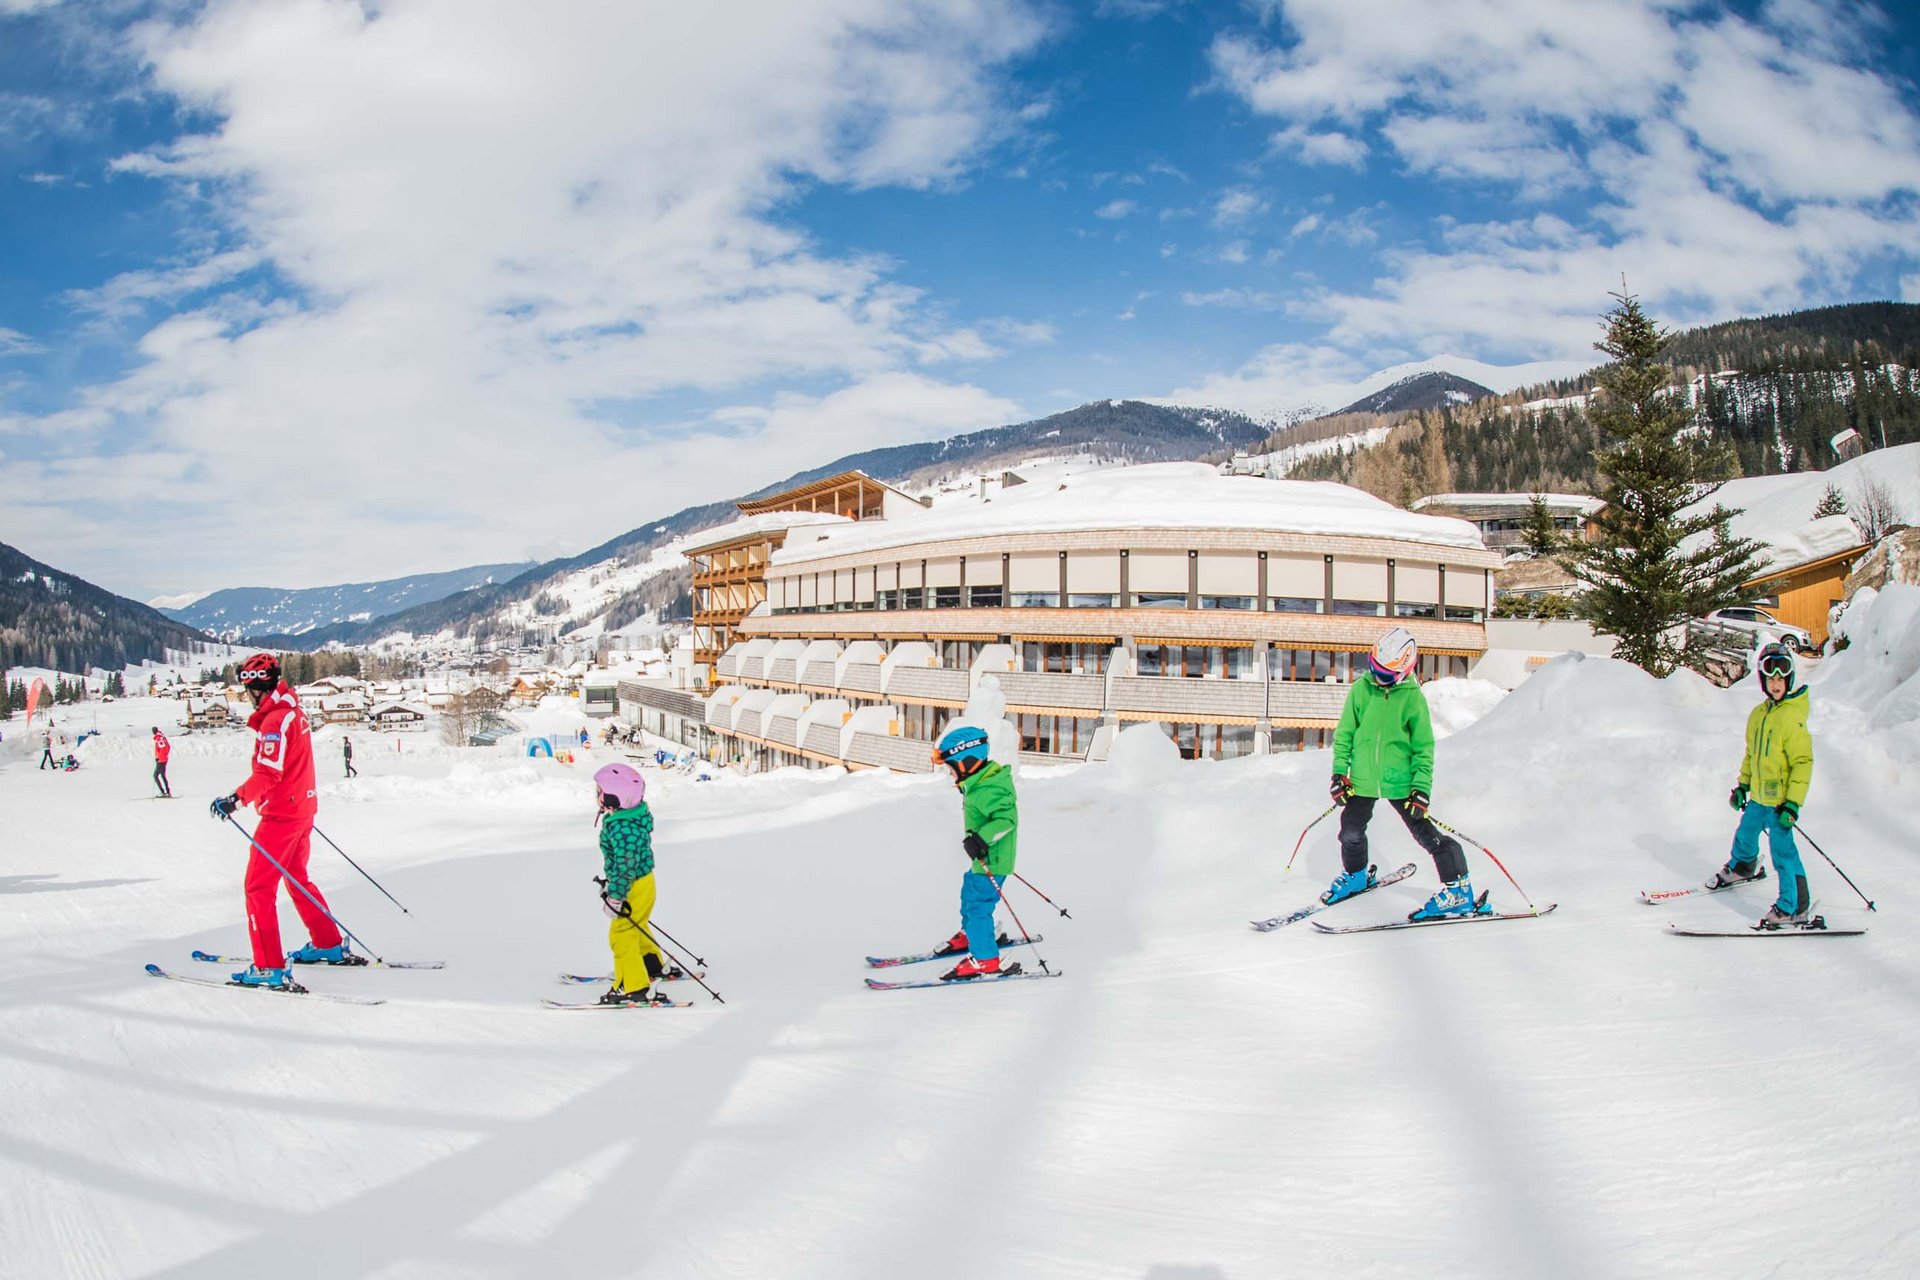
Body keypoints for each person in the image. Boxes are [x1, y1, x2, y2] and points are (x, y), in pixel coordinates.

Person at [209, 653, 358, 990]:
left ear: (256, 687)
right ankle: (327, 943)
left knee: (258, 888)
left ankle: (268, 966)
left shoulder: (276, 722)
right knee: (297, 878)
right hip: (301, 809)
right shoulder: (293, 711)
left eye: (247, 689)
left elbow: (268, 774)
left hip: (281, 816)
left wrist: (234, 800)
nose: (247, 696)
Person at [1326, 627, 1483, 921]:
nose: (1376, 678)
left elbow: (1423, 747)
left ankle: (1459, 890)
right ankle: (1357, 876)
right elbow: (1345, 733)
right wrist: (1339, 773)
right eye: (1373, 668)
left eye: (1384, 675)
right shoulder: (1362, 688)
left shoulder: (1413, 699)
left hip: (1401, 782)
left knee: (1427, 836)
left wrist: (1421, 787)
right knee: (1350, 831)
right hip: (1361, 780)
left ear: (1402, 672)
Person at [1708, 642, 1814, 928]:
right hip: (1758, 799)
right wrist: (1743, 786)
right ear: (1763, 680)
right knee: (1745, 833)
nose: (1776, 683)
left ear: (1789, 679)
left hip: (1780, 804)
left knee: (1783, 854)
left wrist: (1793, 802)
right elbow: (1751, 755)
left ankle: (1793, 907)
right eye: (1771, 677)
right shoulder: (1758, 715)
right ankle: (1744, 866)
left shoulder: (1792, 718)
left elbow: (1802, 763)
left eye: (1781, 677)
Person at [931, 724, 1021, 981]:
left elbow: (1007, 820)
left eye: (951, 768)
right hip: (985, 858)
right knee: (970, 893)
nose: (950, 774)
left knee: (978, 905)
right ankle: (976, 933)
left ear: (967, 760)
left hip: (993, 858)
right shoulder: (980, 781)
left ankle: (985, 960)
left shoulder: (989, 788)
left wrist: (981, 839)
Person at [591, 762, 671, 1005]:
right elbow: (624, 862)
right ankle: (652, 965)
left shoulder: (624, 828)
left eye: (600, 792)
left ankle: (633, 985)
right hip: (643, 881)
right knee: (637, 925)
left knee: (621, 933)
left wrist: (615, 895)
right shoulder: (626, 819)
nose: (596, 796)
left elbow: (626, 866)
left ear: (615, 797)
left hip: (633, 883)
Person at [152, 726, 172, 797]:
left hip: (161, 760)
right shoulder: (162, 737)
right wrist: (165, 755)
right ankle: (168, 792)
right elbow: (168, 747)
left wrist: (159, 758)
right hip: (164, 759)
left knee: (155, 776)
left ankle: (162, 792)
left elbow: (162, 748)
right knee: (163, 776)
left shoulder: (158, 738)